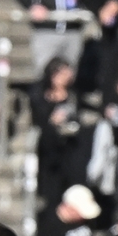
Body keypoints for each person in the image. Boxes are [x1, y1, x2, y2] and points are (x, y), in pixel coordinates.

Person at [32, 58, 87, 207]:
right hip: (50, 148)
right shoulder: (41, 97)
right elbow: (39, 121)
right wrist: (52, 120)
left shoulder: (73, 96)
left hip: (71, 146)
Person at [15, 0, 87, 78]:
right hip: (46, 30)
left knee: (69, 75)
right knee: (43, 74)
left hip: (72, 30)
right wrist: (32, 5)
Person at [35, 182, 101, 236]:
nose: (83, 218)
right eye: (80, 213)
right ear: (70, 209)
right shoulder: (47, 225)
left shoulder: (85, 222)